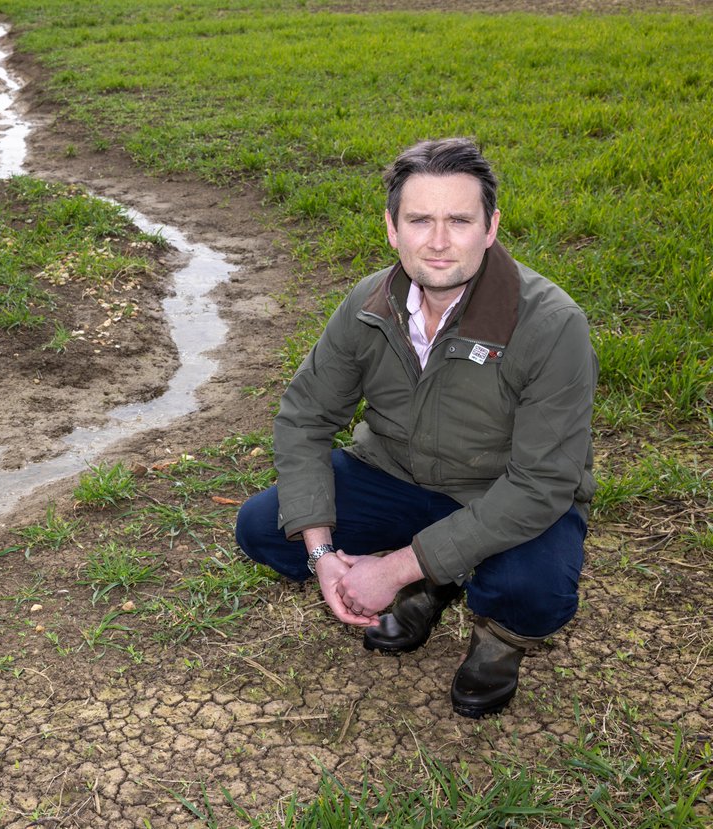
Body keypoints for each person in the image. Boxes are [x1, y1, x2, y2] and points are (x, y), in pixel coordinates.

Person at [235, 137, 597, 718]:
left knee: (531, 589)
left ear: (491, 226)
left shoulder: (553, 324)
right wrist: (324, 553)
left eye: (459, 219)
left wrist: (394, 568)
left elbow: (541, 485)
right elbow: (304, 419)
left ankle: (493, 641)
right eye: (419, 219)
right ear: (391, 227)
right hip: (398, 474)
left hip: (503, 492)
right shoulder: (368, 304)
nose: (437, 240)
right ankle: (433, 580)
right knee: (263, 528)